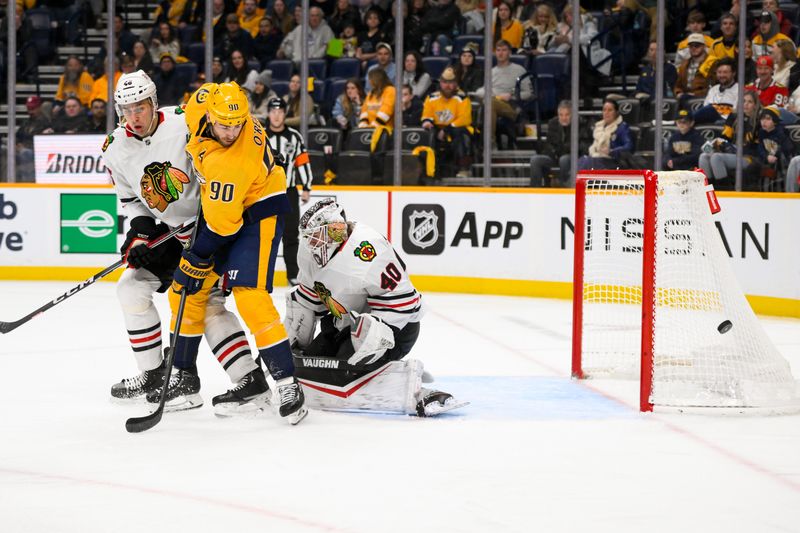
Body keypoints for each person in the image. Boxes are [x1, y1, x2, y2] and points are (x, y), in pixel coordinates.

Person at [102, 71, 264, 411]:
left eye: (141, 107)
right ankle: (155, 374)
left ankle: (250, 379)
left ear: (154, 103)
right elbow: (131, 199)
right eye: (127, 109)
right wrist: (141, 233)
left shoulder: (184, 121)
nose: (134, 116)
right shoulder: (115, 148)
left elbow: (225, 157)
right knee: (130, 287)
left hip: (210, 230)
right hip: (172, 233)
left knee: (207, 304)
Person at [170, 81, 307, 423]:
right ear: (210, 114)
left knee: (249, 295)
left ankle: (287, 383)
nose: (231, 131)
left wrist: (195, 258)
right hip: (227, 209)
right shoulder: (202, 103)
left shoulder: (231, 164)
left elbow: (222, 228)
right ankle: (186, 377)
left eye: (237, 124)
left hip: (257, 213)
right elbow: (212, 91)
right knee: (184, 293)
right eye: (224, 124)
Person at [283, 198, 467, 417]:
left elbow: (403, 304)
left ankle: (409, 386)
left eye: (316, 237)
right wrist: (284, 351)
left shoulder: (368, 250)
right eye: (308, 237)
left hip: (394, 328)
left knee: (346, 368)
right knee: (309, 365)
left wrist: (368, 342)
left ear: (335, 230)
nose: (311, 244)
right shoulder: (308, 252)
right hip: (342, 322)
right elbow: (307, 301)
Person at [264, 97, 313, 286]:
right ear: (268, 113)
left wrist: (307, 186)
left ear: (285, 114)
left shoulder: (294, 136)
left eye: (280, 111)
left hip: (289, 191)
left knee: (291, 234)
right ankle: (262, 275)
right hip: (266, 191)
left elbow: (302, 161)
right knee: (265, 234)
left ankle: (293, 274)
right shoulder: (261, 135)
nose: (276, 115)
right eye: (273, 111)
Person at [698, 91, 761, 190]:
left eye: (750, 102)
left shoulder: (758, 121)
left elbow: (756, 148)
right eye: (743, 101)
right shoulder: (733, 117)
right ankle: (709, 190)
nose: (746, 104)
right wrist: (718, 143)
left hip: (749, 157)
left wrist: (734, 149)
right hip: (731, 153)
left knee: (716, 158)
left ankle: (724, 191)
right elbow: (724, 137)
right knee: (703, 156)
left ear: (755, 105)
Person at [474, 40, 532, 148]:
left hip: (511, 105)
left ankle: (489, 143)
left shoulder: (519, 70)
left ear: (509, 52)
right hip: (493, 101)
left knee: (489, 103)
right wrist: (489, 94)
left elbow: (528, 93)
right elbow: (481, 90)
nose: (500, 53)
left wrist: (512, 95)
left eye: (504, 50)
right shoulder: (491, 71)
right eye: (498, 50)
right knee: (484, 103)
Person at [421, 67, 473, 178]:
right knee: (426, 133)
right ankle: (429, 170)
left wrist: (447, 130)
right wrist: (427, 122)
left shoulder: (462, 98)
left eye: (451, 82)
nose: (447, 86)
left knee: (460, 134)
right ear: (440, 83)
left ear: (456, 84)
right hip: (438, 129)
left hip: (458, 128)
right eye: (444, 82)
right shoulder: (431, 97)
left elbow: (465, 119)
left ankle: (464, 168)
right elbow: (427, 114)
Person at [529, 100, 590, 187]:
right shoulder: (553, 123)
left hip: (573, 158)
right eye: (561, 115)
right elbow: (548, 144)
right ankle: (535, 191)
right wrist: (552, 151)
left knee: (564, 159)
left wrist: (562, 149)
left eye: (567, 115)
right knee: (535, 160)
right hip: (555, 156)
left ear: (572, 115)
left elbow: (582, 146)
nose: (563, 118)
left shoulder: (581, 124)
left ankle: (565, 188)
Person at [577, 98, 634, 170]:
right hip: (597, 159)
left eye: (610, 110)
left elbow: (629, 146)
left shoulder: (622, 127)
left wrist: (611, 151)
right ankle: (571, 180)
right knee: (583, 160)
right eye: (604, 110)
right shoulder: (598, 127)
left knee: (588, 162)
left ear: (616, 112)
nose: (606, 113)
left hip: (614, 161)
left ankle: (573, 181)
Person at [755, 105, 795, 190]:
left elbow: (788, 150)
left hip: (781, 164)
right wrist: (766, 156)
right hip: (767, 161)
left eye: (768, 119)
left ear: (775, 121)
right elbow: (760, 148)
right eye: (762, 119)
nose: (764, 122)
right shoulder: (761, 132)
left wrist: (776, 155)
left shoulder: (781, 132)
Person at [693, 58, 739, 124]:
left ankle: (686, 120)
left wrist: (716, 110)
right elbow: (704, 109)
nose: (722, 75)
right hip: (709, 121)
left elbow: (735, 112)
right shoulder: (713, 89)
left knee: (711, 109)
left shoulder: (739, 89)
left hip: (726, 121)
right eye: (719, 72)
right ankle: (686, 120)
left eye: (725, 72)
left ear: (733, 73)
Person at [674, 33, 710, 105]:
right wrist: (678, 92)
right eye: (691, 46)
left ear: (703, 46)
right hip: (685, 98)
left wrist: (694, 94)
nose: (694, 48)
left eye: (697, 46)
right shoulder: (684, 65)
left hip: (704, 99)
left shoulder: (711, 63)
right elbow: (678, 85)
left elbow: (713, 87)